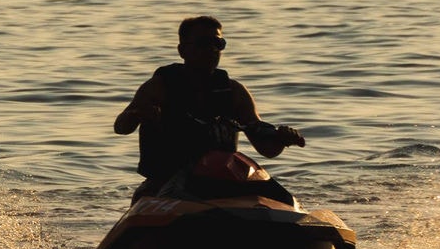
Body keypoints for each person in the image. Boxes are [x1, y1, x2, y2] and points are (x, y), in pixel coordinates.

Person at [114, 16, 307, 198]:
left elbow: (267, 150)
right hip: (165, 182)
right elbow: (121, 127)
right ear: (182, 50)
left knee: (280, 197)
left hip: (222, 180)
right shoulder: (159, 87)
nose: (211, 50)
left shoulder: (234, 91)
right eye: (202, 43)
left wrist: (282, 139)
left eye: (218, 44)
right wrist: (138, 114)